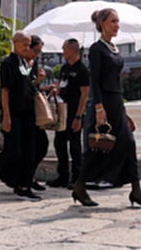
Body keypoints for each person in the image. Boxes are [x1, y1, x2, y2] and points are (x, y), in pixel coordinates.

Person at [72, 8, 141, 209]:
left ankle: (136, 190)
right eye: (113, 21)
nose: (117, 25)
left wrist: (122, 109)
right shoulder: (96, 49)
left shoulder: (113, 48)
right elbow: (95, 80)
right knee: (97, 147)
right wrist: (99, 108)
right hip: (105, 104)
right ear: (102, 24)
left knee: (128, 144)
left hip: (117, 103)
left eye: (118, 21)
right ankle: (80, 187)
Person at [0, 31, 41, 201]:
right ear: (15, 42)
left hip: (28, 112)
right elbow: (5, 90)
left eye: (28, 45)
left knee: (29, 150)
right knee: (13, 150)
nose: (27, 48)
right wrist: (6, 116)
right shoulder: (8, 63)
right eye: (24, 44)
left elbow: (28, 86)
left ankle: (24, 186)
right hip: (14, 112)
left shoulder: (26, 64)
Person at [48, 38, 89, 190]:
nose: (62, 52)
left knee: (75, 145)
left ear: (72, 50)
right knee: (59, 142)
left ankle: (76, 176)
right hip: (62, 111)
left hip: (74, 111)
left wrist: (78, 116)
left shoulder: (82, 70)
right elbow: (60, 85)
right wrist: (54, 90)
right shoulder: (64, 68)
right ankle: (62, 175)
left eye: (64, 49)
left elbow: (84, 95)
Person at [28, 35, 50, 192]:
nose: (36, 54)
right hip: (24, 110)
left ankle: (30, 176)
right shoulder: (20, 63)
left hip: (34, 109)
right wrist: (37, 81)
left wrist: (43, 87)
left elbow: (33, 88)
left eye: (39, 52)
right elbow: (24, 86)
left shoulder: (33, 63)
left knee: (41, 144)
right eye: (35, 50)